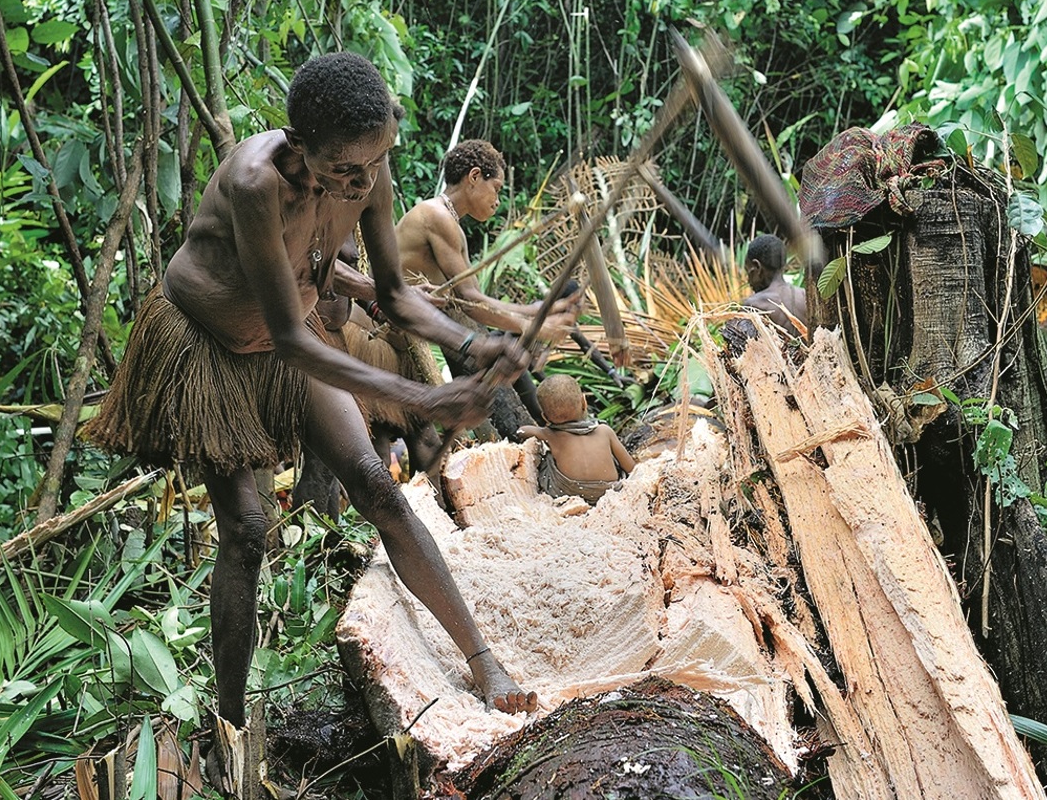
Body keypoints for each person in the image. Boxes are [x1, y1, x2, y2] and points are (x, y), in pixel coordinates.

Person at [84, 52, 537, 726]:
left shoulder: (370, 173)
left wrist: (469, 344)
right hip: (209, 344)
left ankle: (484, 662)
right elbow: (294, 338)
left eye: (374, 163)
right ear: (300, 146)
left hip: (283, 340)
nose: (361, 182)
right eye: (344, 170)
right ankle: (231, 723)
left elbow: (392, 295)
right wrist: (421, 399)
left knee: (377, 485)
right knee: (244, 529)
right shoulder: (253, 180)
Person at [395, 140, 582, 434]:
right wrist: (532, 324)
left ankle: (542, 434)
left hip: (417, 331)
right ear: (474, 177)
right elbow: (470, 302)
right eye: (496, 187)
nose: (497, 200)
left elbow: (473, 300)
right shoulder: (437, 217)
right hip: (389, 333)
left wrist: (535, 312)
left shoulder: (449, 222)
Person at [516, 374, 636, 506]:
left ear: (545, 417)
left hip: (568, 496)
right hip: (608, 493)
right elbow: (632, 469)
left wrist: (543, 431)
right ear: (584, 402)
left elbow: (522, 431)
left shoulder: (551, 435)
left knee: (546, 458)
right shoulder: (604, 431)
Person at [741, 233, 807, 334]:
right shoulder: (805, 296)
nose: (748, 280)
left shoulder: (753, 304)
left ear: (757, 267)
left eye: (748, 270)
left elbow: (742, 345)